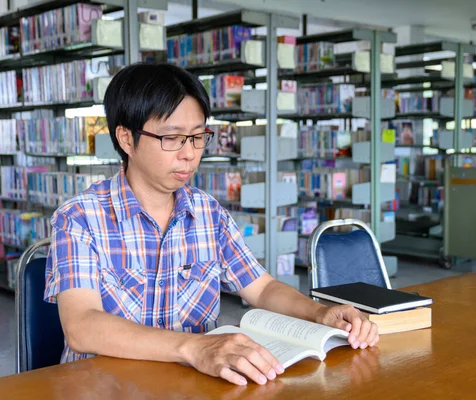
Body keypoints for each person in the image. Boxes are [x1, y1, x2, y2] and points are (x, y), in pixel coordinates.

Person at [44, 63, 379, 386]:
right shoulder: (79, 218)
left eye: (198, 137)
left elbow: (261, 288)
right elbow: (82, 326)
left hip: (193, 384)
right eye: (173, 138)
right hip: (104, 388)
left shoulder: (209, 214)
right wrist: (194, 347)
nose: (190, 154)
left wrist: (319, 313)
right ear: (126, 139)